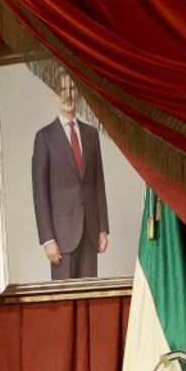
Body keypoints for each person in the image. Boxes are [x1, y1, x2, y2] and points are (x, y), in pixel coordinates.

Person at [30, 73, 110, 280]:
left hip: (91, 232)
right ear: (56, 95)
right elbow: (40, 193)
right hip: (61, 236)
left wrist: (103, 228)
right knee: (65, 304)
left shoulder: (91, 135)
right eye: (63, 90)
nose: (68, 95)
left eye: (72, 90)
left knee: (89, 301)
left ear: (79, 94)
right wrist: (48, 239)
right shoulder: (44, 137)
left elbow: (98, 184)